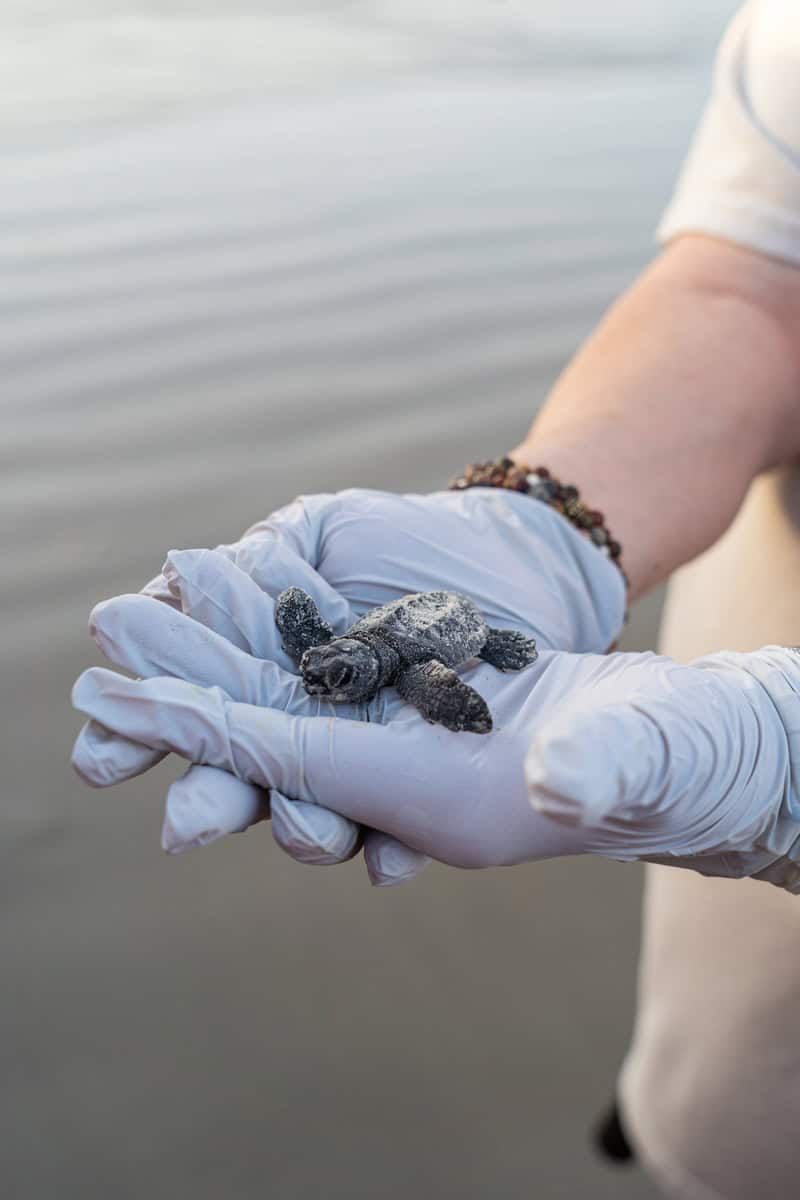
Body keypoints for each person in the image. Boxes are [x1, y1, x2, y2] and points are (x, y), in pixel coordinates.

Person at [70, 2, 800, 1196]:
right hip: (760, 1046)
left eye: (327, 670)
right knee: (731, 1110)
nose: (320, 671)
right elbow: (757, 282)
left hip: (492, 665)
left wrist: (776, 768)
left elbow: (457, 681)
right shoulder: (337, 650)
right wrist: (546, 526)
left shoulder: (423, 675)